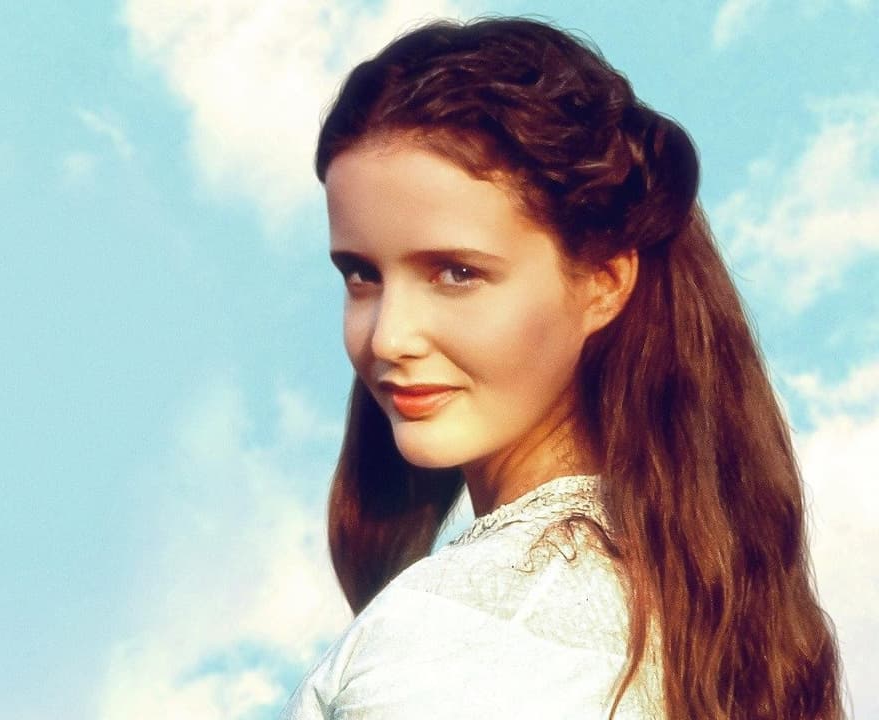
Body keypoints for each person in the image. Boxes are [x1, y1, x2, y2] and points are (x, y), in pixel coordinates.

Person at [278, 16, 843, 720]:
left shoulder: (467, 641)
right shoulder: (702, 614)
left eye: (456, 272)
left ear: (603, 282)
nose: (389, 337)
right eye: (362, 275)